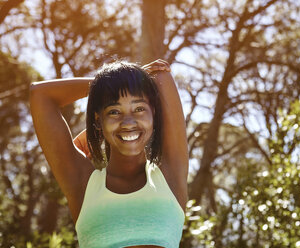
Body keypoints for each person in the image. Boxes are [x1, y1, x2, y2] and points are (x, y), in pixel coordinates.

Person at [30, 59, 188, 248]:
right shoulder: (82, 185)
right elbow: (40, 94)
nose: (128, 122)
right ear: (98, 120)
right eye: (114, 111)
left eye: (139, 109)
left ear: (153, 114)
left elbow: (162, 75)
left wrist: (122, 82)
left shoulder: (171, 176)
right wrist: (105, 85)